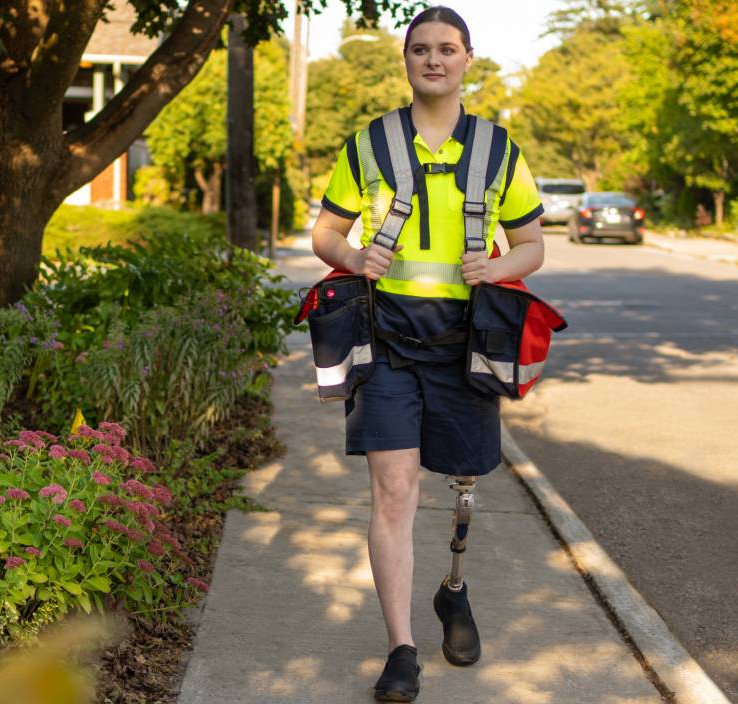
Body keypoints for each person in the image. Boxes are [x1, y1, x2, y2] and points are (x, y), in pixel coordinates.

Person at [308, 6, 546, 702]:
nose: (433, 60)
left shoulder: (499, 149)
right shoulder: (371, 144)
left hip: (464, 344)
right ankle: (401, 649)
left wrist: (499, 270)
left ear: (469, 58)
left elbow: (533, 244)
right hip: (386, 341)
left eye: (447, 49)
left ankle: (454, 588)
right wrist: (353, 255)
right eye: (421, 50)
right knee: (393, 490)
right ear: (406, 60)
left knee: (464, 483)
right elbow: (325, 233)